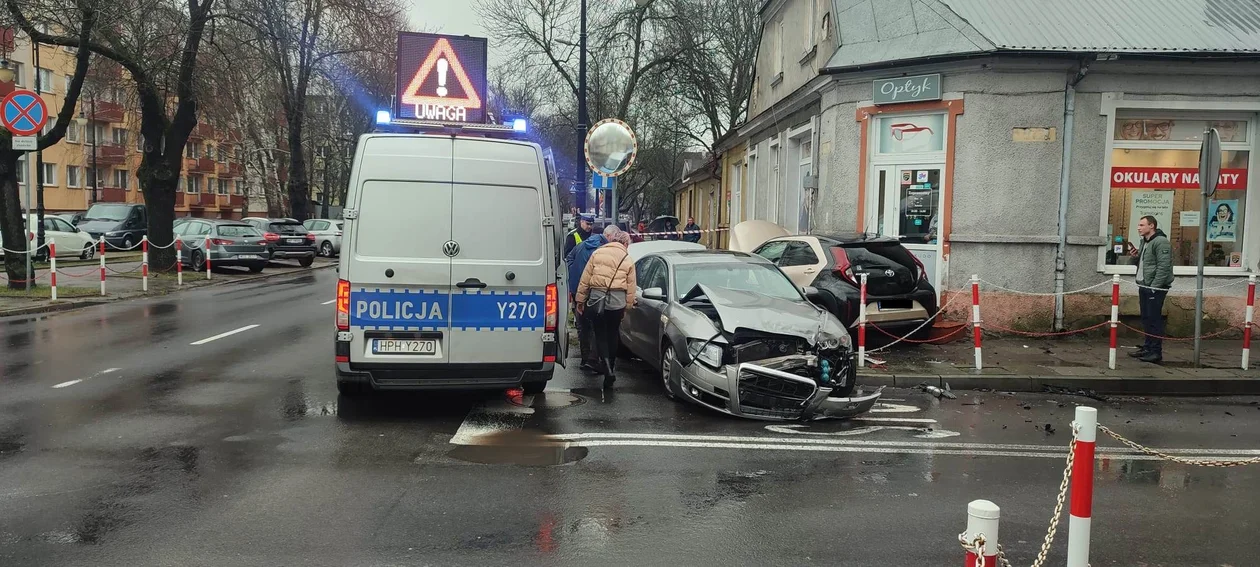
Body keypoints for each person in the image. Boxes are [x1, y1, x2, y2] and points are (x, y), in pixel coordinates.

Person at [576, 227, 636, 389]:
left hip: (597, 297)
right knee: (613, 332)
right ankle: (612, 366)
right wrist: (627, 306)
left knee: (600, 332)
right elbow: (631, 286)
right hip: (617, 300)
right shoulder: (627, 258)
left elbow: (585, 279)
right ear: (624, 243)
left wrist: (580, 300)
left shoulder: (598, 253)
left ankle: (607, 367)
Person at [1128, 215, 1173, 363]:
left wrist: (1154, 287)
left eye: (1142, 225)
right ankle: (1147, 347)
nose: (1138, 228)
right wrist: (1134, 257)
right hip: (1144, 284)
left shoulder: (1161, 242)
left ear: (1151, 226)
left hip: (1155, 287)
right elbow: (1144, 264)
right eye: (1139, 225)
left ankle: (1155, 352)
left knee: (1154, 319)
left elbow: (1164, 266)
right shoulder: (1145, 242)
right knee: (1146, 318)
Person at [566, 228, 606, 373]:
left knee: (582, 326)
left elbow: (569, 258)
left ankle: (584, 359)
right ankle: (593, 360)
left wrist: (573, 277)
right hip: (593, 292)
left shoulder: (582, 245)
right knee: (596, 326)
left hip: (578, 291)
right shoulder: (601, 250)